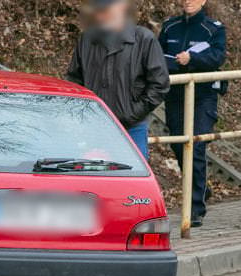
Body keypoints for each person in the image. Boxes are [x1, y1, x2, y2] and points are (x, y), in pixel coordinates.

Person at [66, 0, 169, 159]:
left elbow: (159, 84)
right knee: (94, 177)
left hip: (132, 127)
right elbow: (74, 81)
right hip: (94, 128)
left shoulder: (144, 39)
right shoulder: (87, 39)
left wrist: (131, 114)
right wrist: (84, 114)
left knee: (133, 177)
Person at [159, 0, 226, 227]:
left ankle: (195, 208)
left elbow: (217, 57)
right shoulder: (170, 27)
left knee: (195, 145)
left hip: (202, 96)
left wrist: (193, 59)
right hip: (176, 96)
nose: (188, 1)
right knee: (179, 146)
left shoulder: (213, 28)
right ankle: (202, 188)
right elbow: (156, 57)